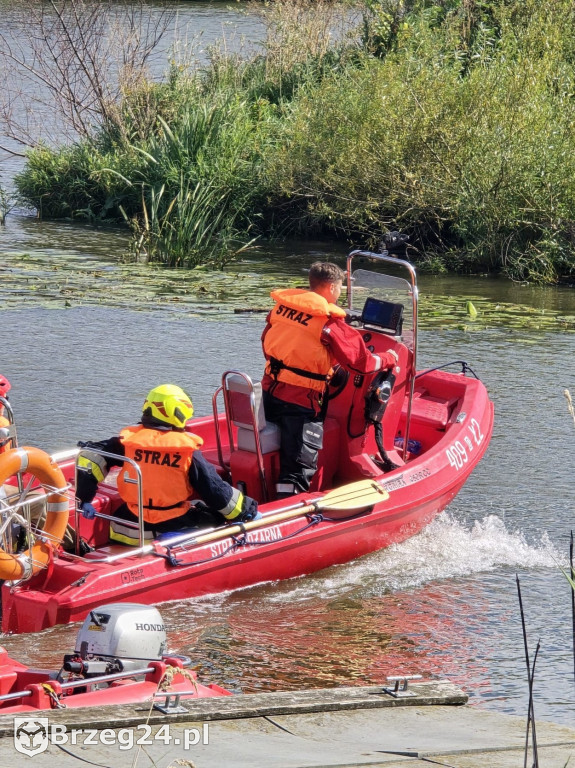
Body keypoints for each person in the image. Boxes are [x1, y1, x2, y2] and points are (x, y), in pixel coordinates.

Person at [261, 261, 398, 498]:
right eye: (341, 288)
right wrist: (388, 358)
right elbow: (362, 363)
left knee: (278, 449)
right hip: (301, 401)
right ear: (333, 288)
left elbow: (270, 343)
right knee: (298, 467)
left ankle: (267, 494)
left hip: (270, 391)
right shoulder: (328, 322)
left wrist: (324, 366)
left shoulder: (280, 309)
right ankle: (288, 508)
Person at [76, 384, 260, 544]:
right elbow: (215, 490)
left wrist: (85, 499)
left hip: (127, 527)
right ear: (178, 414)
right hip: (171, 523)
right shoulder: (186, 452)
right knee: (214, 517)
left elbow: (89, 457)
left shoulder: (127, 443)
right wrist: (247, 511)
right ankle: (175, 541)